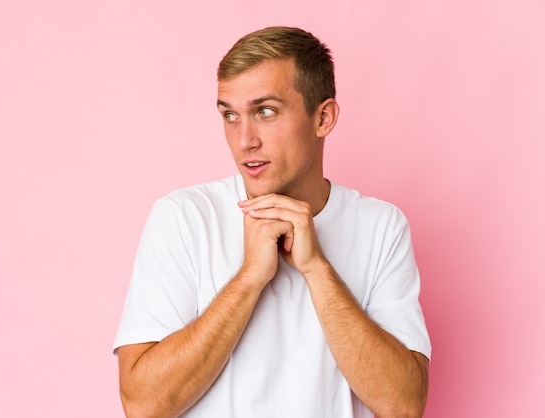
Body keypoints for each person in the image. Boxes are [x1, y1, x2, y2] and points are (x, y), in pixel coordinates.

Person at [113, 26, 431, 418]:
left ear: (324, 117)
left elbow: (404, 406)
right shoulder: (183, 217)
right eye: (230, 115)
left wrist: (317, 269)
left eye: (265, 111)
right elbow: (142, 405)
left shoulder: (381, 226)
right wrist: (249, 278)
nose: (244, 139)